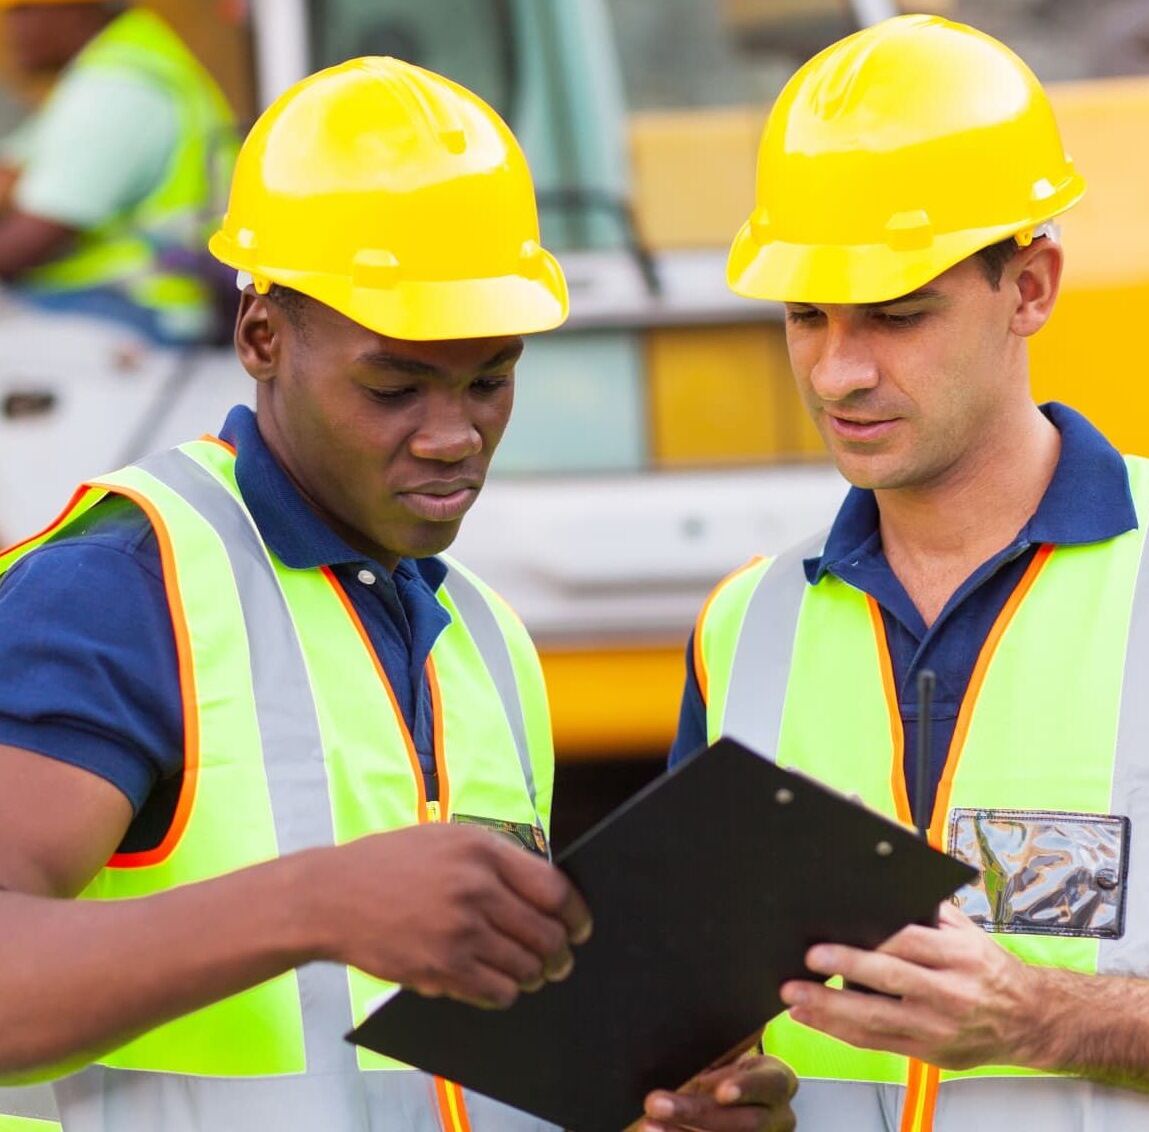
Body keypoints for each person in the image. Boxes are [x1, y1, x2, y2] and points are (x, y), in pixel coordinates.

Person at [0, 58, 797, 1132]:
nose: (451, 435)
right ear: (262, 337)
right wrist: (315, 904)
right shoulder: (120, 586)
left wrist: (643, 1110)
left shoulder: (483, 635)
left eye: (488, 380)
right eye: (394, 385)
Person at [674, 13, 1149, 1129]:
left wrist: (1041, 1017)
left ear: (1032, 288)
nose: (838, 371)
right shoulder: (744, 628)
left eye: (897, 316)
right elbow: (699, 1021)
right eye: (805, 316)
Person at [0, 0, 237, 344]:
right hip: (121, 303)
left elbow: (22, 246)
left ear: (74, 8)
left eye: (23, 9)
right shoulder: (109, 65)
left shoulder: (119, 88)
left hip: (151, 313)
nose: (10, 28)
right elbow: (11, 173)